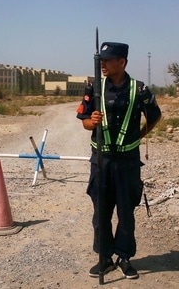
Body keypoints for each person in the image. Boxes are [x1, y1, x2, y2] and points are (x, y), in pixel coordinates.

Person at [76, 42, 162, 279]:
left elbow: (155, 117)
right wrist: (91, 122)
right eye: (101, 60)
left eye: (108, 59)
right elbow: (83, 121)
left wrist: (137, 137)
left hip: (127, 162)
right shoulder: (94, 88)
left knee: (126, 212)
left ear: (122, 62)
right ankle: (104, 258)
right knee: (101, 213)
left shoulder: (139, 89)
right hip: (101, 160)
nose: (102, 64)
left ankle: (124, 257)